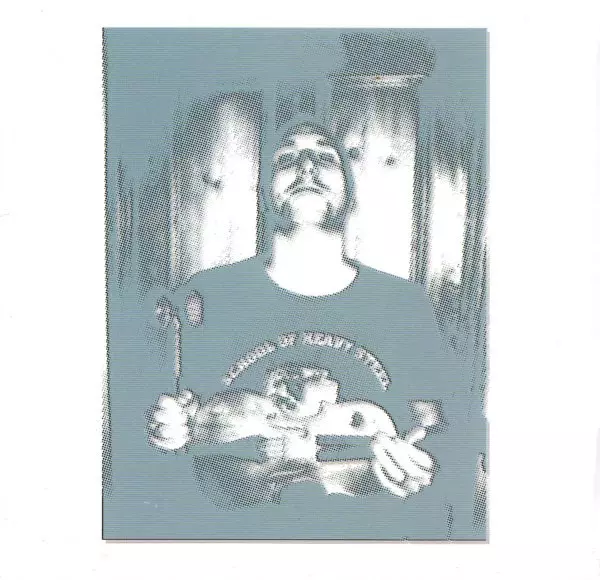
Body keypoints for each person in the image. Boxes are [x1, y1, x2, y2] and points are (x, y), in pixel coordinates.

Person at [146, 119, 484, 540]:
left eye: (325, 156)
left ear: (350, 193)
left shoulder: (403, 302)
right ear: (263, 193)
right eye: (286, 158)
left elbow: (432, 425)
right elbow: (188, 415)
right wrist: (170, 427)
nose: (306, 165)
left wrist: (420, 461)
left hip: (367, 541)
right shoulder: (209, 294)